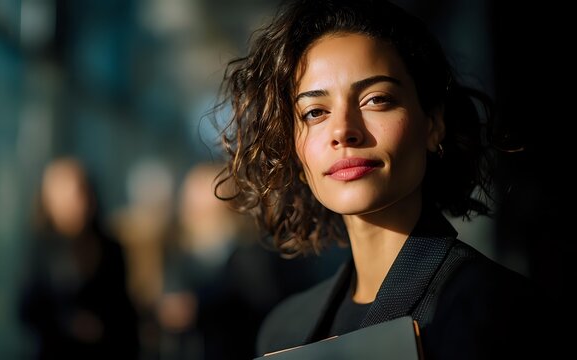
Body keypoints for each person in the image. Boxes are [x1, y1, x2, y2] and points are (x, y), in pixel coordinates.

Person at [213, 0, 542, 358]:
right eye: (315, 112)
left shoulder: (496, 311)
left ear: (433, 124)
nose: (343, 131)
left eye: (376, 99)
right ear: (292, 150)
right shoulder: (282, 331)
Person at [19, 157, 139, 360]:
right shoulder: (40, 249)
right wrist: (68, 323)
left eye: (77, 192)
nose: (72, 202)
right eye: (62, 194)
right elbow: (27, 308)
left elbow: (124, 310)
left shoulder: (110, 248)